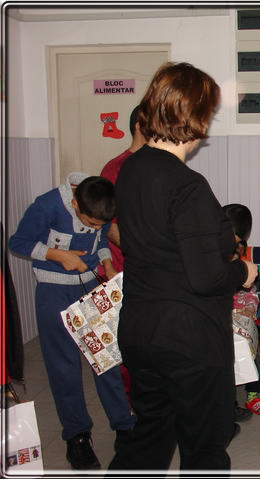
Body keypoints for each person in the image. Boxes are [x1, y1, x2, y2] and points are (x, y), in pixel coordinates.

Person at [108, 62, 258, 472]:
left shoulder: (131, 170)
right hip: (188, 337)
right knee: (205, 447)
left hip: (140, 327)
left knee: (149, 438)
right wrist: (245, 273)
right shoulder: (188, 186)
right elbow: (207, 277)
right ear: (196, 118)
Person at [8, 174, 135, 470]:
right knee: (63, 367)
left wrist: (105, 261)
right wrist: (57, 256)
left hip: (89, 287)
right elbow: (19, 242)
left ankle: (123, 424)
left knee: (105, 359)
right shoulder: (47, 206)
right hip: (53, 290)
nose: (97, 228)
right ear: (75, 203)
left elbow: (102, 238)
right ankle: (77, 436)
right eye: (91, 223)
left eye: (101, 223)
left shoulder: (98, 198)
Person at [99, 104, 146, 404]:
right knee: (125, 342)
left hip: (153, 270)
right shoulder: (115, 169)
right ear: (142, 125)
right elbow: (107, 221)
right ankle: (128, 408)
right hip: (124, 268)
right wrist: (140, 253)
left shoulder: (161, 165)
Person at [223, 203, 260, 417]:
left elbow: (251, 293)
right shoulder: (210, 262)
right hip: (219, 321)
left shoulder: (245, 266)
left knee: (254, 346)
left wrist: (249, 310)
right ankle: (228, 402)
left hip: (242, 317)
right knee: (224, 356)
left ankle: (253, 395)